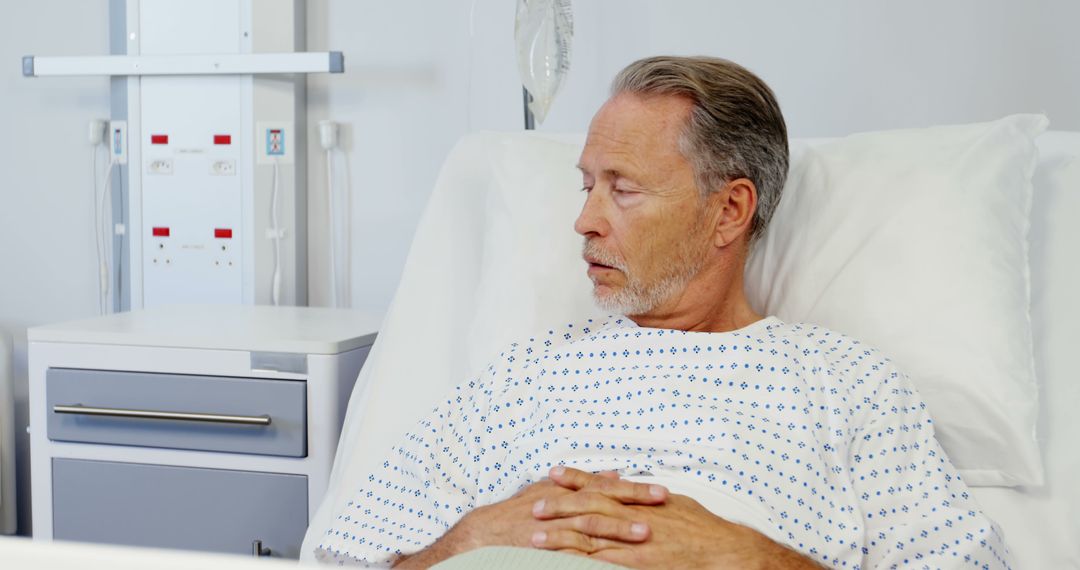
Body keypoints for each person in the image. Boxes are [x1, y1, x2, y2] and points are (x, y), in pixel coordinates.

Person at [315, 56, 1010, 569]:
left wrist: (747, 558)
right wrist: (468, 539)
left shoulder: (842, 382)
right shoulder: (526, 373)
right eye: (587, 185)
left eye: (623, 190)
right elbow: (342, 556)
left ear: (729, 211)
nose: (584, 221)